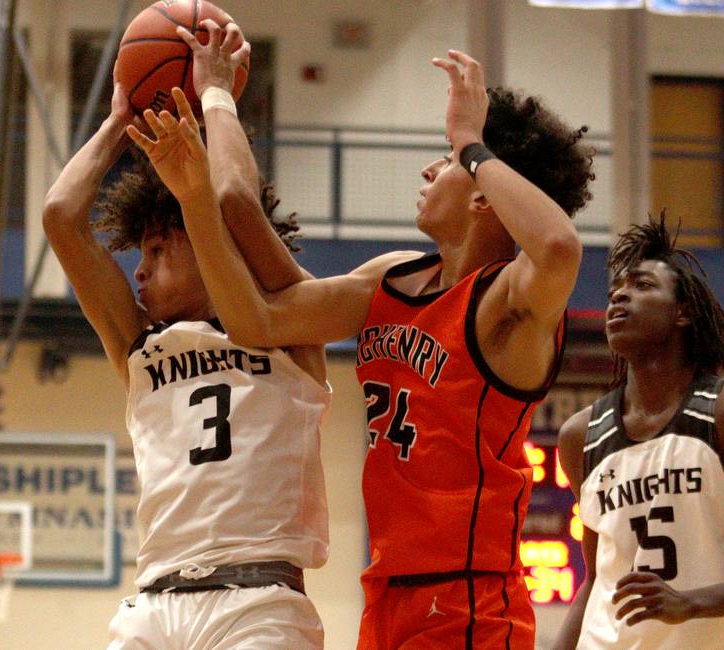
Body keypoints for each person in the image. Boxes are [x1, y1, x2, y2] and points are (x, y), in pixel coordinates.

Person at [131, 39, 594, 647]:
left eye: (446, 161)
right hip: (385, 593)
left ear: (484, 192)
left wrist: (471, 144)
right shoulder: (393, 278)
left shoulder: (511, 305)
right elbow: (259, 318)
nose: (430, 169)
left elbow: (560, 247)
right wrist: (214, 106)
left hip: (469, 598)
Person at [42, 22, 330, 649]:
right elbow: (62, 217)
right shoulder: (137, 346)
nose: (138, 270)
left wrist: (216, 97)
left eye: (156, 249)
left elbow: (233, 202)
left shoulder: (289, 323)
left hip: (259, 601)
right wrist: (120, 120)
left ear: (207, 246)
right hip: (154, 600)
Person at [554, 213, 724, 649]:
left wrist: (691, 603)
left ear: (683, 312)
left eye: (642, 286)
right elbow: (594, 580)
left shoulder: (717, 411)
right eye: (616, 291)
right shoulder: (581, 436)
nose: (619, 298)